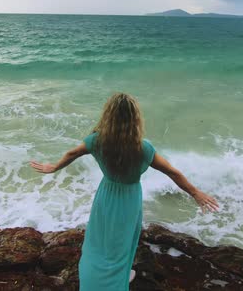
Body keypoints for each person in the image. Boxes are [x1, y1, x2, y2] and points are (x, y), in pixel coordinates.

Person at [30, 92, 219, 291]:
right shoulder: (143, 148)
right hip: (130, 199)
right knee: (124, 240)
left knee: (99, 241)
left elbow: (72, 153)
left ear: (108, 116)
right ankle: (120, 277)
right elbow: (173, 172)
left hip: (106, 194)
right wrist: (195, 192)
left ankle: (95, 280)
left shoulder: (96, 141)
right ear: (135, 119)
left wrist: (55, 167)